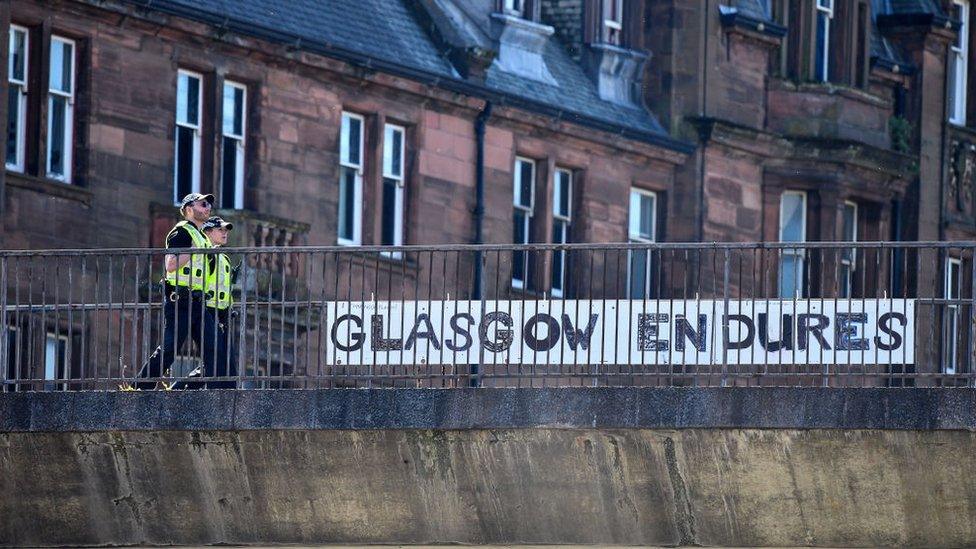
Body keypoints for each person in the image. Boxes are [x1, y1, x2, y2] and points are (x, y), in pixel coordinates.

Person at [136, 193, 223, 389]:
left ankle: (183, 388)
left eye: (209, 204)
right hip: (180, 300)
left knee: (215, 349)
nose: (207, 207)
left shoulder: (201, 236)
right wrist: (191, 251)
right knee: (169, 349)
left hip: (198, 302)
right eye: (202, 204)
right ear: (189, 209)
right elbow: (171, 264)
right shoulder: (182, 232)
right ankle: (140, 387)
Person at [200, 215, 239, 388]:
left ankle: (229, 393)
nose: (224, 233)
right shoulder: (204, 254)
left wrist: (229, 308)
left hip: (222, 313)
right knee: (216, 358)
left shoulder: (223, 257)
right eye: (220, 230)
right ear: (208, 232)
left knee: (225, 359)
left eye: (226, 230)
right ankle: (217, 393)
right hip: (207, 310)